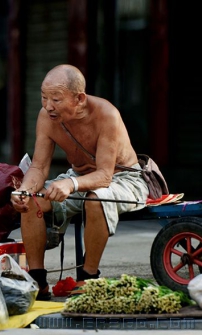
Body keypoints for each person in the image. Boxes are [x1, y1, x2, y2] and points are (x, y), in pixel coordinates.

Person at [11, 64, 148, 301]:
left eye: (56, 99)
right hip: (78, 176)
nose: (48, 106)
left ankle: (88, 277)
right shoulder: (47, 117)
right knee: (32, 201)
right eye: (44, 98)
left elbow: (105, 176)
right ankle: (38, 280)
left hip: (123, 178)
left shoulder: (107, 114)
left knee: (96, 199)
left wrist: (71, 185)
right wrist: (24, 190)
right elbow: (39, 167)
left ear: (79, 98)